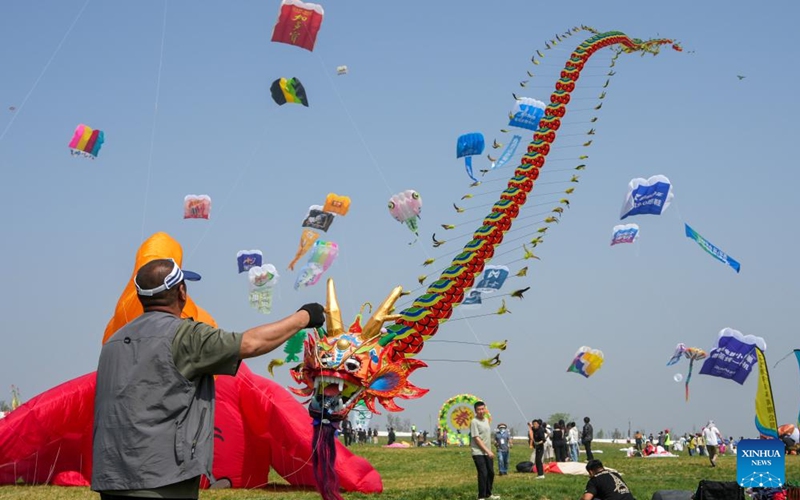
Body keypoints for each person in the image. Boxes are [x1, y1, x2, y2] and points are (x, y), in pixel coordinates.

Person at [91, 258, 325, 500]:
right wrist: (305, 317)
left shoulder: (114, 342)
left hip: (112, 476)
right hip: (161, 480)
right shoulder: (185, 336)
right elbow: (251, 343)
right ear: (181, 292)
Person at [470, 401, 500, 500]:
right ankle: (481, 496)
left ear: (485, 409)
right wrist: (488, 451)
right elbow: (477, 439)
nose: (481, 411)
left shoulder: (486, 420)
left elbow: (486, 435)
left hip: (488, 451)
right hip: (478, 452)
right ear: (475, 411)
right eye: (479, 409)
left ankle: (488, 493)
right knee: (483, 473)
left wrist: (494, 443)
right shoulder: (474, 422)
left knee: (491, 472)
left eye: (482, 409)